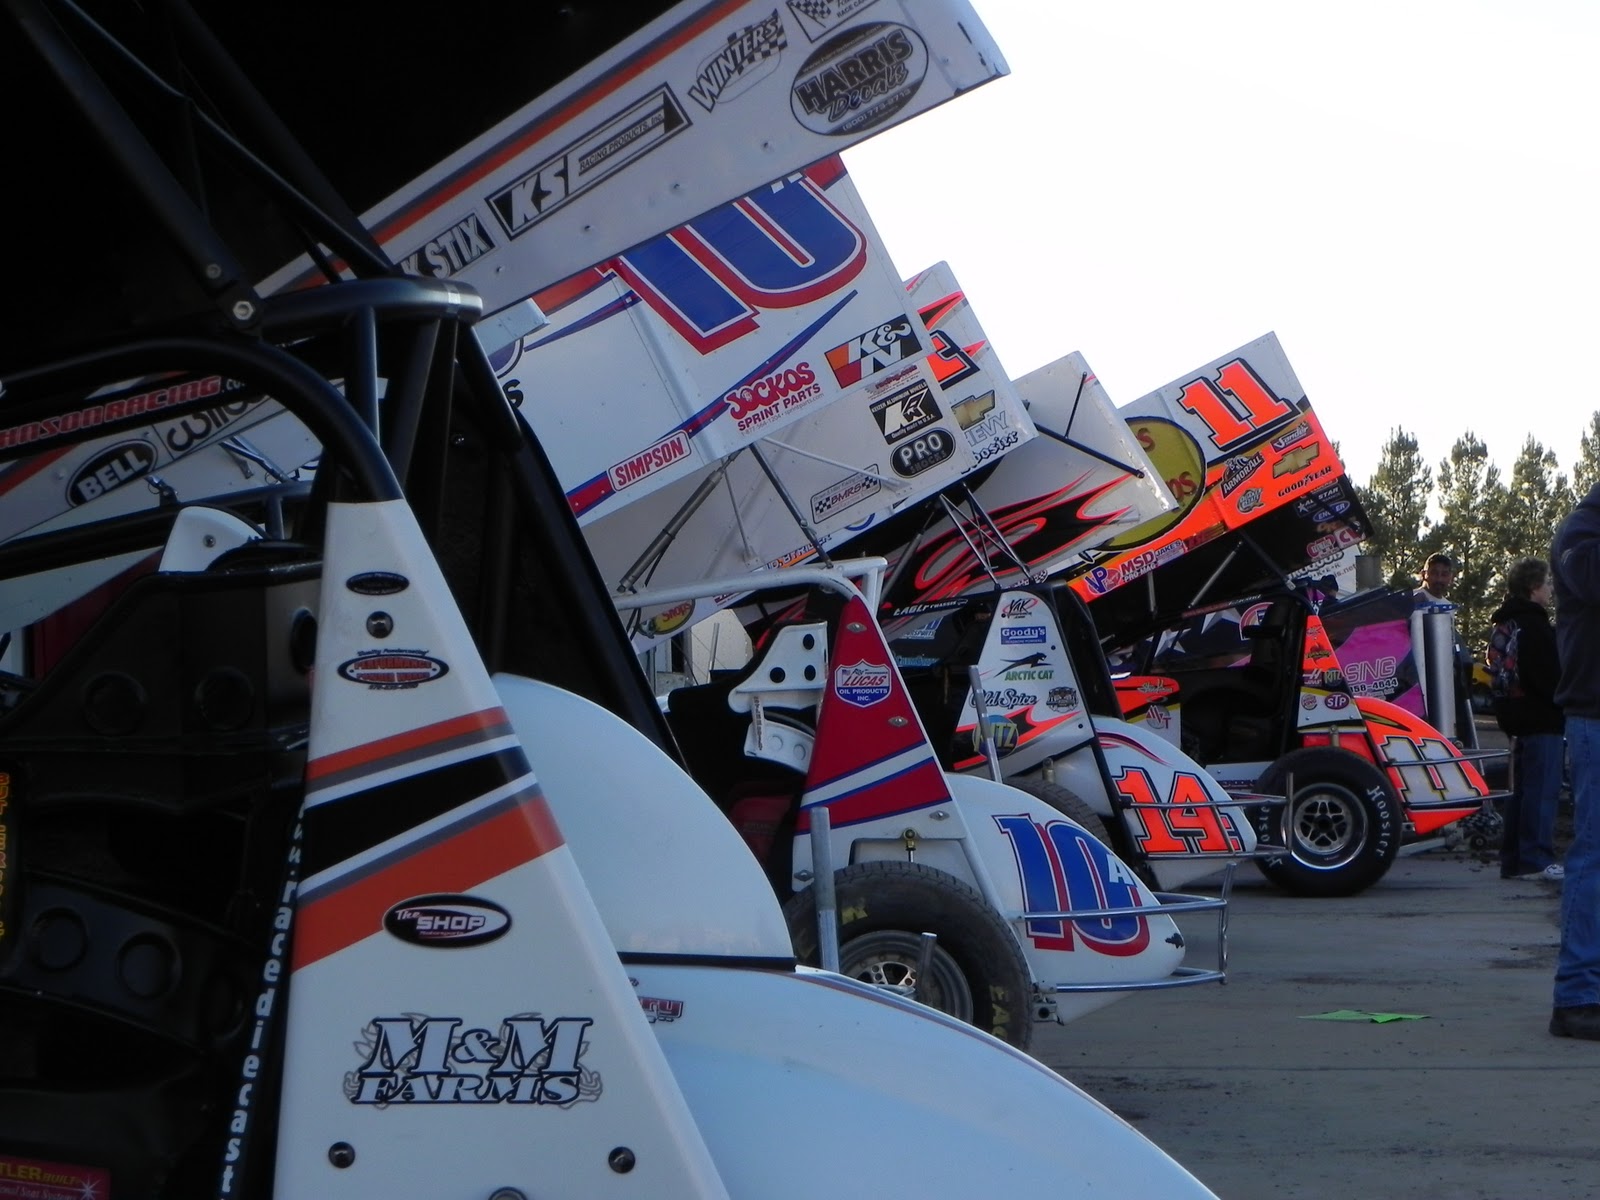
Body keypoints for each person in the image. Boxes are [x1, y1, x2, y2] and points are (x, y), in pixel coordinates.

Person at [1550, 483, 1600, 1038]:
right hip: (1595, 718)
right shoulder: (1582, 531)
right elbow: (1591, 577)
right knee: (1594, 854)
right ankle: (1578, 996)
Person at [1489, 557, 1564, 882]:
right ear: (1534, 587)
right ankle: (1535, 858)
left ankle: (1514, 858)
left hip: (1515, 716)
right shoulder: (1534, 626)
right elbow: (1546, 676)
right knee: (1542, 789)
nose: (1550, 589)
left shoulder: (1509, 621)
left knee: (1521, 789)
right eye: (1547, 583)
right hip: (1541, 717)